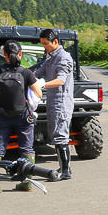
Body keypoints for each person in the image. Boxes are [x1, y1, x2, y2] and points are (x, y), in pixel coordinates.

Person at [0, 41, 43, 194]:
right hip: (23, 116)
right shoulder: (26, 72)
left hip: (1, 115)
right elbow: (38, 93)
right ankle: (27, 183)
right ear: (20, 54)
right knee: (27, 148)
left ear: (4, 55)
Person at [36, 28, 75, 180]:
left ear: (56, 42)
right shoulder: (51, 58)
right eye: (42, 44)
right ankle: (62, 167)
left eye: (46, 44)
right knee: (56, 135)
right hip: (53, 102)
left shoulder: (64, 58)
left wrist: (42, 85)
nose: (44, 47)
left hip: (61, 103)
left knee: (60, 137)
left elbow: (61, 80)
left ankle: (65, 172)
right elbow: (38, 73)